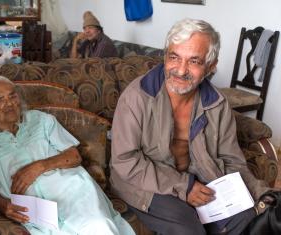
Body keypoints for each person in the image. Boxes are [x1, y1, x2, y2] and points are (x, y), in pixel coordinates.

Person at [110, 18, 273, 235]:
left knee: (246, 217)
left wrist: (261, 192)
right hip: (143, 181)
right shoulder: (137, 97)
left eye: (194, 61)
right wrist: (184, 187)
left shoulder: (216, 103)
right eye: (174, 57)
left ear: (210, 66)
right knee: (187, 228)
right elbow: (125, 161)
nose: (180, 70)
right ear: (165, 56)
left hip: (196, 175)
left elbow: (232, 159)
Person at [0, 75, 135, 235]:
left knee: (98, 227)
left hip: (74, 191)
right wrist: (1, 203)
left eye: (12, 96)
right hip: (36, 211)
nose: (9, 103)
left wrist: (38, 167)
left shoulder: (41, 120)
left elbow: (74, 157)